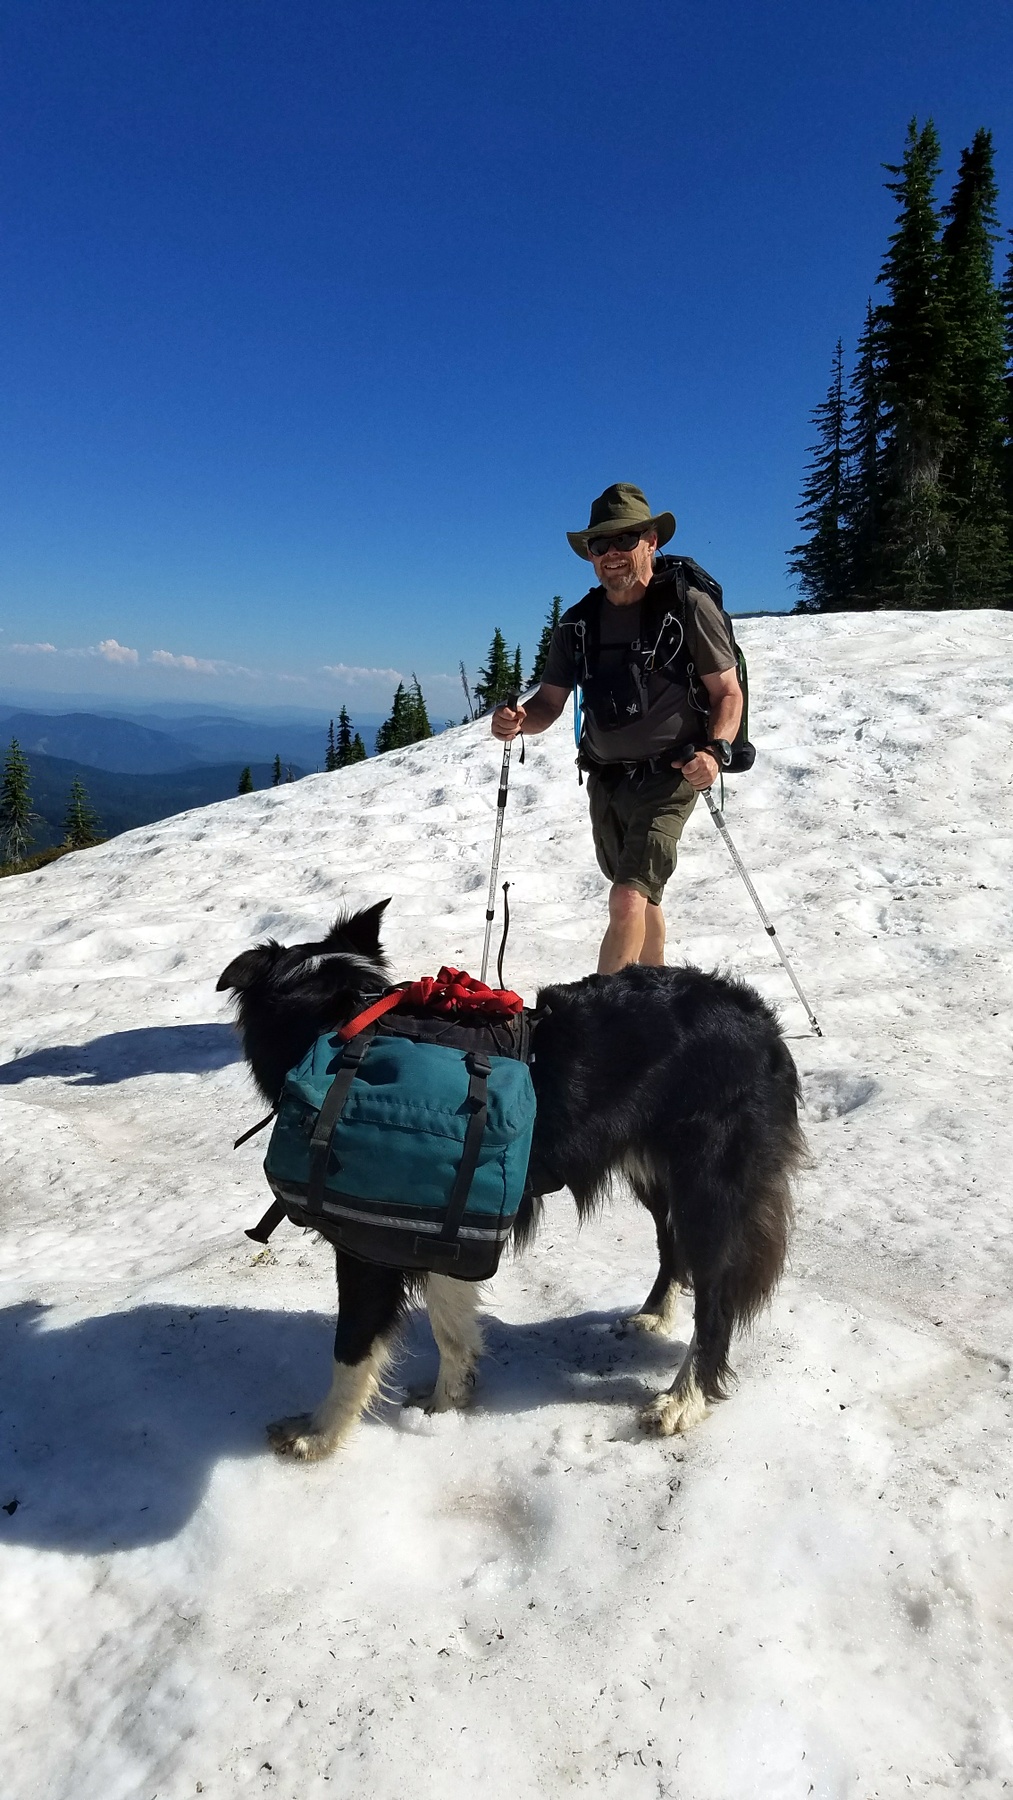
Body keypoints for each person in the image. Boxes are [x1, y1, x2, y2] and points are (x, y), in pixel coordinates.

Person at [491, 483, 742, 974]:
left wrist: (716, 751)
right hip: (606, 777)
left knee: (627, 897)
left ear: (652, 541)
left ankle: (605, 1020)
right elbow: (548, 703)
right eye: (599, 545)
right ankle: (653, 996)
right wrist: (518, 722)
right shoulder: (578, 624)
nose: (611, 554)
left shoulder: (688, 608)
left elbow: (727, 692)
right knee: (642, 899)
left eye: (624, 541)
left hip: (672, 772)